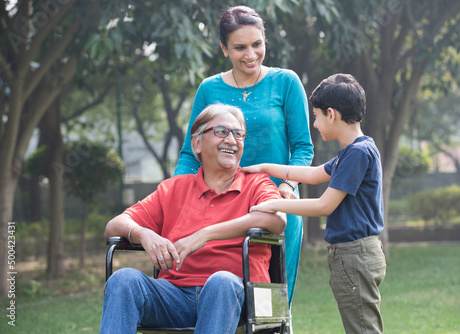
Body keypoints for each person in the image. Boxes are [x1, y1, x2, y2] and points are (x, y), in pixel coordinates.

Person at [99, 104, 286, 334]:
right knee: (123, 280)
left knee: (221, 282)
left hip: (238, 295)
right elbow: (114, 225)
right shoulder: (173, 189)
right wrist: (144, 234)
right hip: (175, 297)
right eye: (221, 132)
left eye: (238, 134)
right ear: (197, 143)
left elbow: (277, 220)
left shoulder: (257, 184)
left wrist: (205, 234)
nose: (231, 140)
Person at [174, 5, 314, 306]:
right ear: (224, 48)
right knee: (223, 298)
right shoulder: (209, 89)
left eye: (257, 44)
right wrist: (176, 195)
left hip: (275, 206)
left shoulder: (285, 82)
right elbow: (190, 153)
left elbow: (303, 147)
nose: (250, 54)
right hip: (220, 207)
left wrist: (287, 187)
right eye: (240, 47)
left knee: (270, 306)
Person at [241, 73, 387, 334]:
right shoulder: (354, 151)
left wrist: (273, 204)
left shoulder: (357, 153)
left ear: (331, 114)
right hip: (352, 255)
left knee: (363, 330)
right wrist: (264, 167)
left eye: (317, 116)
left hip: (355, 256)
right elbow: (312, 173)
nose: (316, 124)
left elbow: (323, 206)